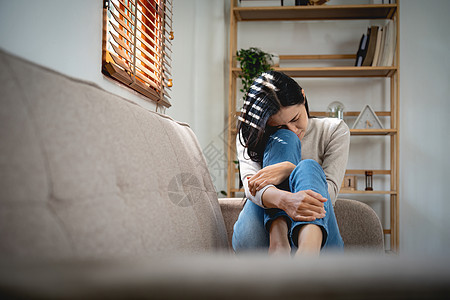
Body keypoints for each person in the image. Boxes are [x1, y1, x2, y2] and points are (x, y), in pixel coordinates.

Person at [232, 71, 349, 256]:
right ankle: (278, 240)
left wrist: (290, 169)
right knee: (285, 140)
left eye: (295, 119)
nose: (294, 130)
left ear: (303, 96)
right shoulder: (250, 135)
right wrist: (285, 201)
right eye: (277, 126)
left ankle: (306, 253)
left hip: (320, 240)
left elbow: (330, 194)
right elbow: (251, 187)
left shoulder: (334, 130)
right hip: (259, 238)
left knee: (308, 167)